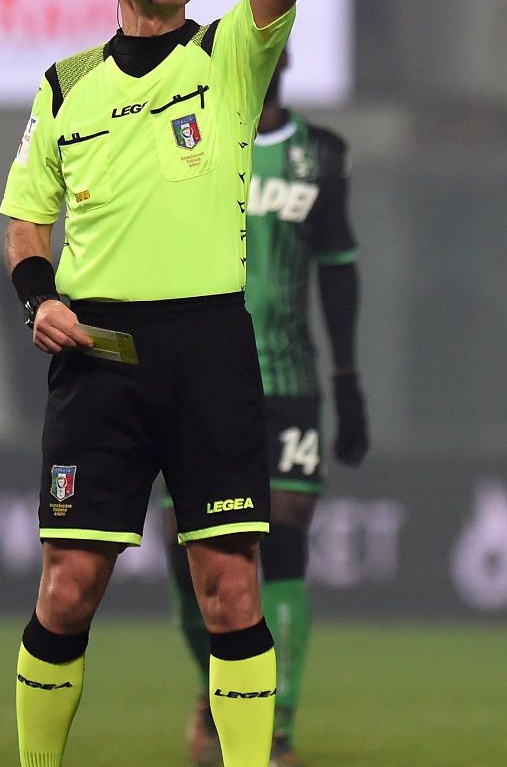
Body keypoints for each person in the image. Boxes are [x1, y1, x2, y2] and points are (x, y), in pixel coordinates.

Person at [0, 0, 359, 767]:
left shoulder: (230, 58)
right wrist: (37, 297)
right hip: (100, 354)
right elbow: (27, 225)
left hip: (208, 347)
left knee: (231, 589)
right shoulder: (63, 88)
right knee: (68, 590)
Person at [169, 48, 368, 767]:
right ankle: (217, 691)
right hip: (191, 382)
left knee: (281, 540)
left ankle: (274, 727)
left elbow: (339, 271)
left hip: (287, 381)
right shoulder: (189, 137)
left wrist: (347, 382)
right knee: (190, 553)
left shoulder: (322, 155)